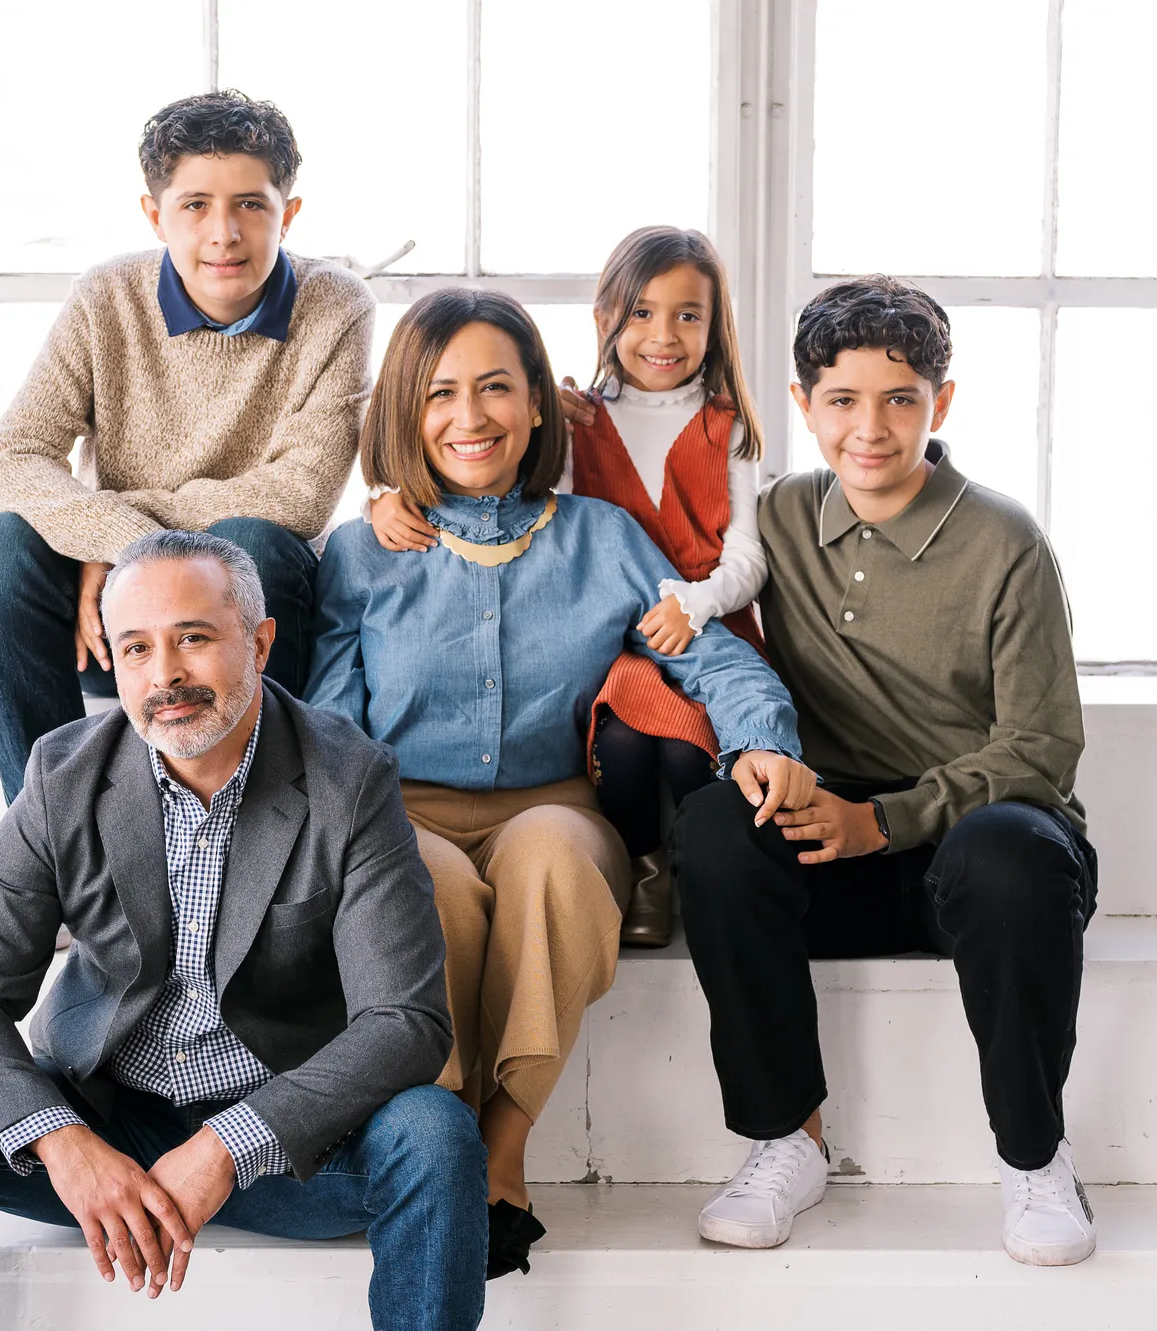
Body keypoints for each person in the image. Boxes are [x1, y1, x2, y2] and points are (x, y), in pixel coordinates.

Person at [0, 531, 485, 1330]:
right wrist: (64, 1143)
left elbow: (406, 1023)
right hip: (107, 1121)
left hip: (286, 1145)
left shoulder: (348, 777)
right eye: (136, 648)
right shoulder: (61, 775)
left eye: (194, 638)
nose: (165, 674)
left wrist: (229, 1144)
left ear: (260, 641)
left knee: (434, 1133)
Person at [308, 288, 812, 1279]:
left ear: (539, 404)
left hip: (557, 806)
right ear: (404, 410)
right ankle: (435, 1136)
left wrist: (759, 735)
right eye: (439, 393)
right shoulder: (362, 550)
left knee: (550, 864)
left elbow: (707, 656)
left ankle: (501, 1140)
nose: (469, 416)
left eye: (496, 387)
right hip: (401, 812)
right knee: (430, 887)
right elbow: (327, 724)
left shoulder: (601, 537)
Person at [673, 277, 1100, 1266]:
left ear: (938, 404)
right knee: (712, 825)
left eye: (899, 398)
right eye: (842, 401)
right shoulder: (775, 519)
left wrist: (889, 819)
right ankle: (786, 1139)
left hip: (984, 841)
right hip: (835, 843)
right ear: (802, 404)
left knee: (1006, 853)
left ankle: (1035, 1158)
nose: (869, 427)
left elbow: (1040, 747)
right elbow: (668, 582)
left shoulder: (1004, 541)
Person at [0, 89, 375, 801]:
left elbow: (299, 493)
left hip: (243, 609)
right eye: (195, 205)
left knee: (256, 540)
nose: (224, 233)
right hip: (111, 628)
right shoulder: (106, 297)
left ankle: (246, 821)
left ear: (288, 213)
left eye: (251, 205)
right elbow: (9, 457)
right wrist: (111, 540)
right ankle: (57, 829)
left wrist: (122, 552)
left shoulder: (337, 305)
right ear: (155, 215)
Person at [371, 227, 769, 949]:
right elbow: (504, 486)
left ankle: (671, 868)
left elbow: (742, 560)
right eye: (641, 313)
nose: (664, 335)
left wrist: (704, 614)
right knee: (430, 898)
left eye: (688, 314)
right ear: (604, 320)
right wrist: (387, 491)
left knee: (668, 762)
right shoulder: (370, 547)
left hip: (685, 618)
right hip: (626, 648)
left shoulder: (704, 446)